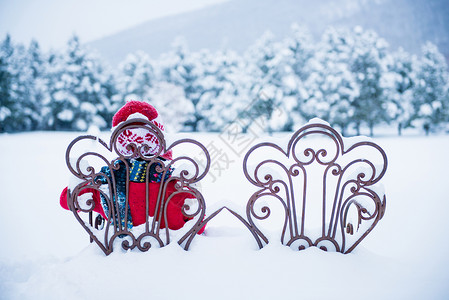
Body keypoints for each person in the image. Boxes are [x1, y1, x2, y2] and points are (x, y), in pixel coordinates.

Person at [60, 100, 204, 233]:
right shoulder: (177, 187)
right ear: (161, 142)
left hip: (120, 256)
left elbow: (67, 200)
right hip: (170, 256)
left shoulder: (106, 185)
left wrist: (81, 180)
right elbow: (199, 227)